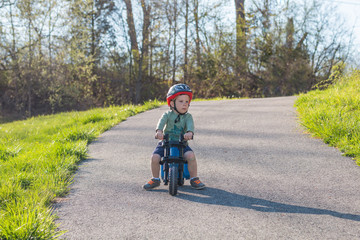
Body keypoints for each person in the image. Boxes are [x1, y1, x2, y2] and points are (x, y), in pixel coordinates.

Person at [143, 83, 205, 190]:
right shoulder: (167, 115)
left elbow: (190, 126)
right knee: (155, 157)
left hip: (182, 143)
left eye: (187, 101)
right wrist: (159, 132)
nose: (184, 104)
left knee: (191, 156)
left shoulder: (188, 117)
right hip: (166, 143)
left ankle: (194, 178)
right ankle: (155, 179)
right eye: (181, 101)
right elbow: (161, 123)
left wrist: (189, 133)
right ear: (172, 103)